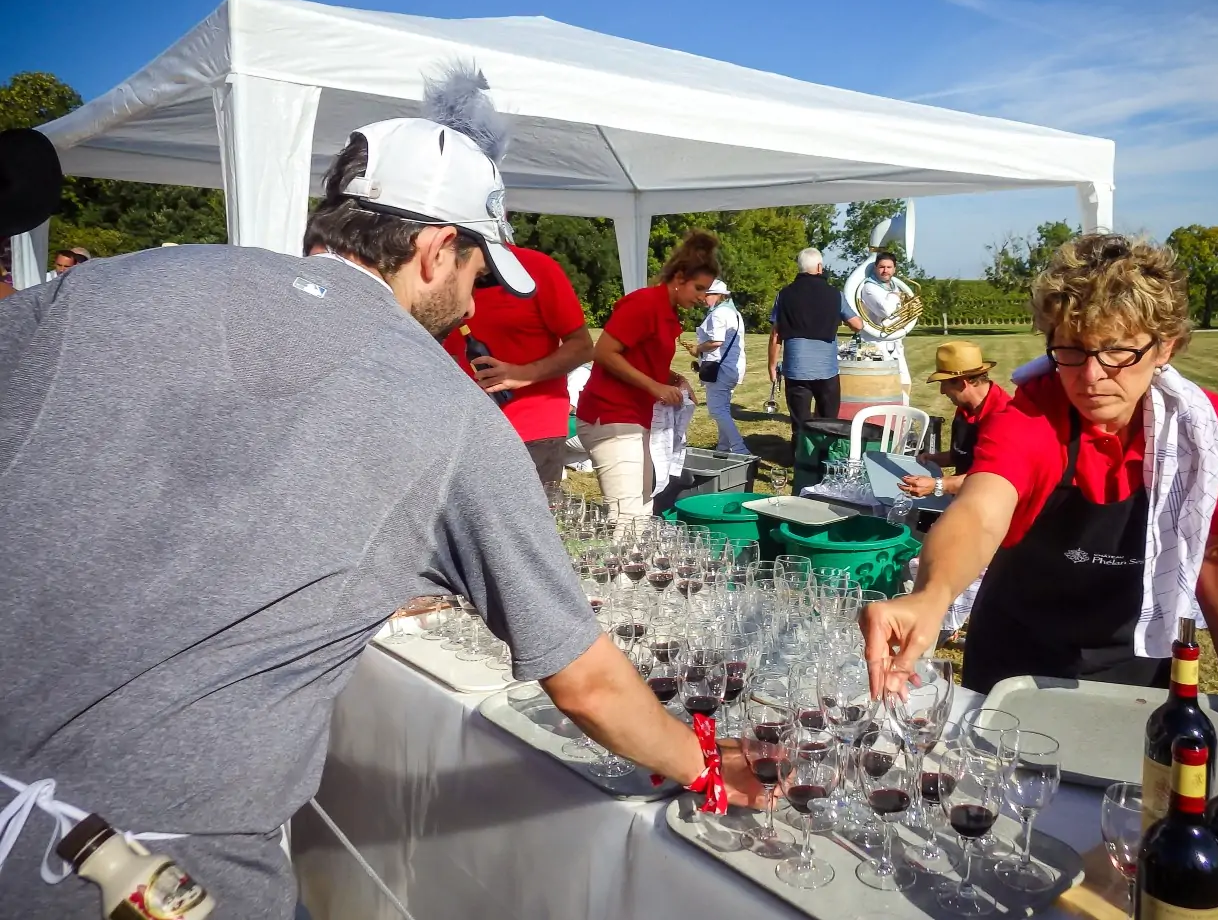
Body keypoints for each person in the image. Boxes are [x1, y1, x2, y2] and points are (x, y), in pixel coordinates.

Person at [0, 66, 758, 919]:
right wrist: (702, 760)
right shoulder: (453, 413)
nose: (474, 301)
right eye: (477, 271)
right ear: (437, 249)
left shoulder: (105, 286)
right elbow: (584, 681)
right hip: (155, 874)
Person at [861, 233, 1218, 726]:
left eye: (1118, 352)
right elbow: (980, 510)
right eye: (1072, 350)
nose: (1091, 376)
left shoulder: (1210, 433)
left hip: (1138, 664)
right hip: (1014, 663)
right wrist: (931, 597)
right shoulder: (1031, 415)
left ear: (1164, 346)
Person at [576, 232, 717, 520]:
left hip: (635, 419)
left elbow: (640, 359)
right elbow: (603, 352)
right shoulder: (644, 304)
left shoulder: (665, 310)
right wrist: (655, 386)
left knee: (641, 510)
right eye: (699, 289)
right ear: (679, 278)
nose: (703, 298)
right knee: (628, 518)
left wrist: (673, 378)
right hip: (611, 417)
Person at [438, 246, 594, 487]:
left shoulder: (536, 268)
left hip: (531, 432)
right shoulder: (439, 268)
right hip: (462, 434)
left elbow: (583, 346)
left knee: (528, 523)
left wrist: (523, 374)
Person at [768, 247, 865, 445]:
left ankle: (800, 463)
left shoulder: (784, 294)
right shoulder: (835, 295)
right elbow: (857, 325)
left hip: (796, 369)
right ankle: (823, 461)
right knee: (829, 422)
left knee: (799, 423)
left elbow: (776, 333)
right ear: (820, 267)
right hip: (826, 370)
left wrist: (771, 365)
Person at [900, 340, 1011, 500]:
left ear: (962, 383)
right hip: (966, 495)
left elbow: (992, 477)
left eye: (944, 384)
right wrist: (935, 458)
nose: (942, 391)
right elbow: (965, 454)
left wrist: (938, 485)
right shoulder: (966, 407)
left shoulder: (1003, 417)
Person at [693, 279, 751, 456]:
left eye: (706, 294)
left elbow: (716, 341)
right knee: (723, 409)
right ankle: (723, 448)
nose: (703, 298)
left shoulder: (719, 314)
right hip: (732, 367)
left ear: (717, 295)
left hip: (721, 369)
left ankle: (739, 448)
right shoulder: (733, 312)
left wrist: (698, 348)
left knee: (717, 410)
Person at [857, 250, 913, 396]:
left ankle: (904, 418)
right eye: (882, 267)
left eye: (889, 267)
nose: (885, 270)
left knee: (905, 383)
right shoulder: (869, 288)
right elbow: (886, 311)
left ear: (894, 269)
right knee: (883, 388)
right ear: (875, 268)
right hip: (876, 343)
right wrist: (895, 296)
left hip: (895, 342)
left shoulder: (895, 286)